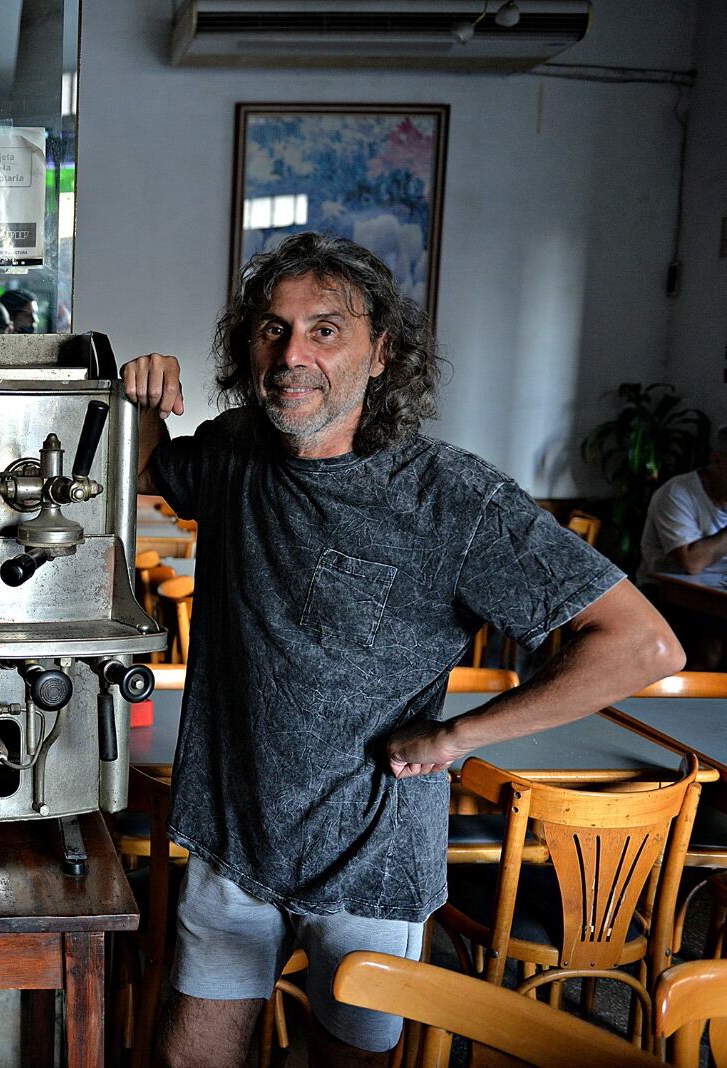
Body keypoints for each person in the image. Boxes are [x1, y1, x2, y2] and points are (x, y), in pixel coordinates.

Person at [123, 232, 682, 1067]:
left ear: (381, 352)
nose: (292, 354)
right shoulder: (238, 450)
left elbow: (643, 644)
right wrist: (140, 396)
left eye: (324, 330)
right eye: (272, 329)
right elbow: (134, 477)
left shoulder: (452, 495)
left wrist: (461, 738)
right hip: (234, 837)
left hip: (371, 857)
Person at [637, 424, 727, 668]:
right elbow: (691, 562)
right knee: (712, 642)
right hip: (664, 593)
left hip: (716, 595)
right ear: (716, 460)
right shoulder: (678, 493)